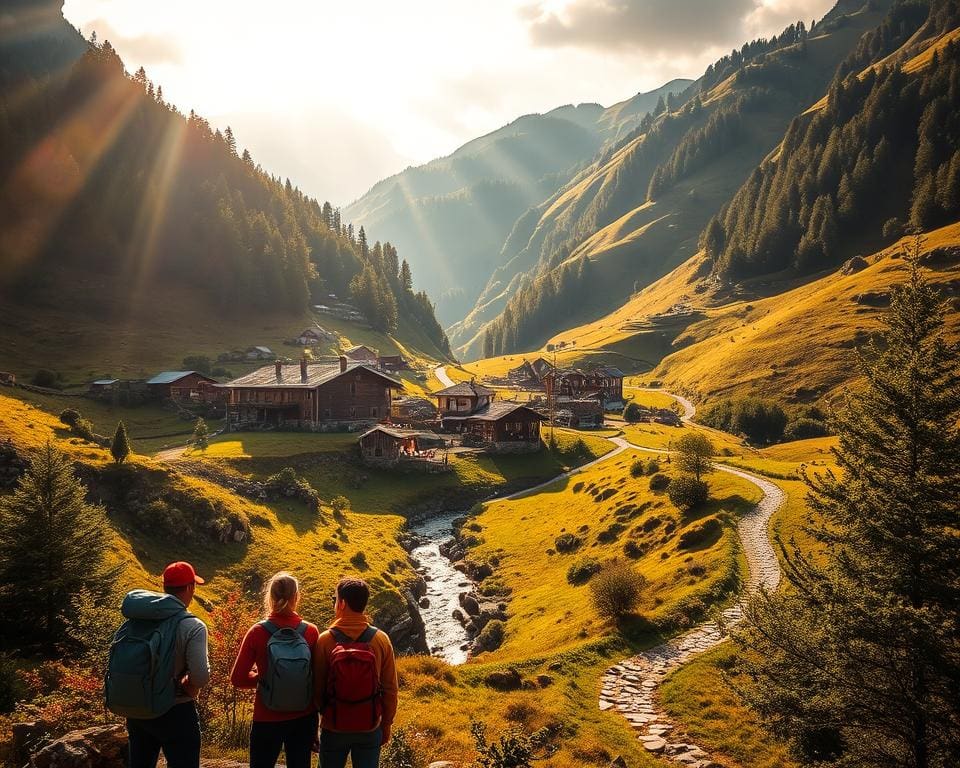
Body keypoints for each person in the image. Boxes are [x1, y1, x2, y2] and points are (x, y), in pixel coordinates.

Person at [117, 561, 210, 768]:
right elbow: (201, 677)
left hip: (138, 707)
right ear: (189, 588)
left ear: (165, 587)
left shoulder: (139, 619)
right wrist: (186, 682)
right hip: (175, 710)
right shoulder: (192, 626)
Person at [230, 572, 320, 768]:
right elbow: (316, 679)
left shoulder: (257, 632)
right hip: (303, 716)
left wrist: (265, 679)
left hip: (267, 716)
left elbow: (237, 678)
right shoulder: (311, 632)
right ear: (297, 597)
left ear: (270, 597)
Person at [314, 578, 398, 768]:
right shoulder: (381, 639)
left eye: (335, 599)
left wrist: (325, 716)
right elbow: (390, 688)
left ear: (342, 603)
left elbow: (316, 689)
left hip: (333, 727)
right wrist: (386, 724)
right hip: (369, 726)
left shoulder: (325, 640)